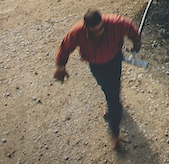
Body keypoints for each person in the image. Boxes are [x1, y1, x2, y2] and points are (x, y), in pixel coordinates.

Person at [54, 10, 142, 150]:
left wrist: (136, 42)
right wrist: (60, 67)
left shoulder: (116, 23)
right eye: (95, 31)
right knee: (105, 87)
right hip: (95, 64)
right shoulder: (77, 32)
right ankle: (110, 102)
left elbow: (131, 29)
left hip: (114, 61)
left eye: (101, 28)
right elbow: (65, 47)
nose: (99, 32)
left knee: (114, 97)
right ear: (86, 27)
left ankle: (115, 134)